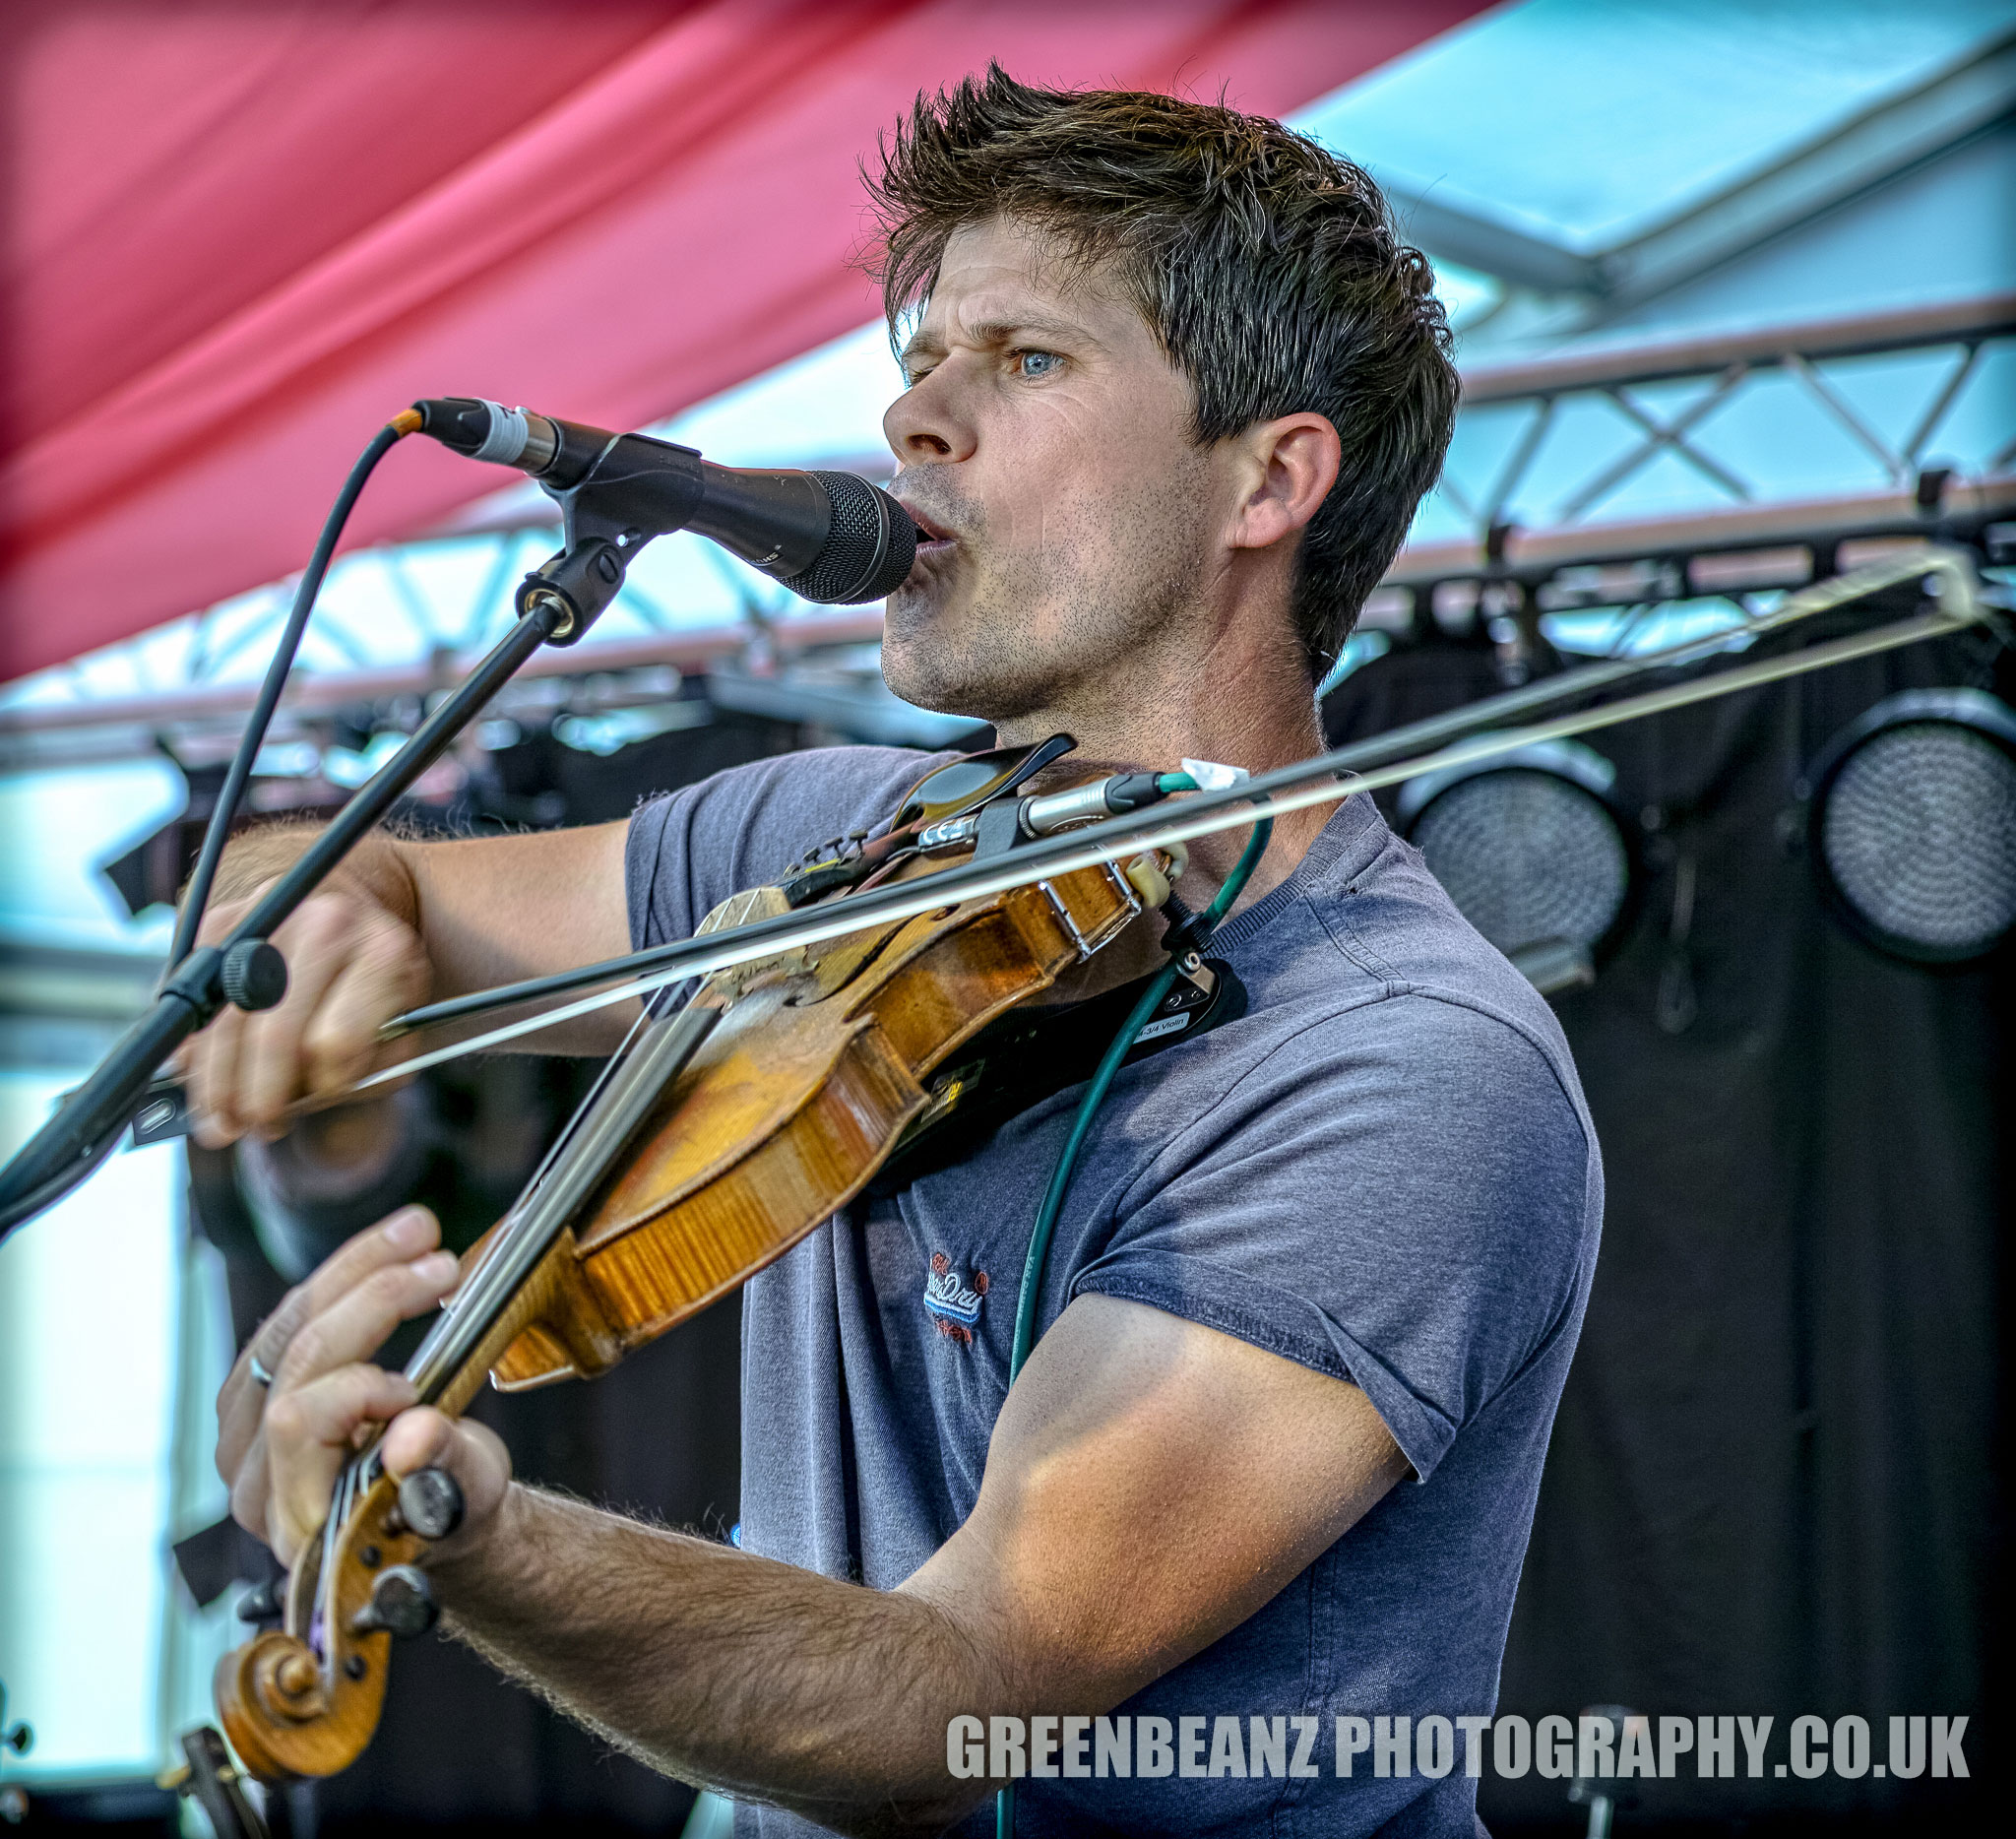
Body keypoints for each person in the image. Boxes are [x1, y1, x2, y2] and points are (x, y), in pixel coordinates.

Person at [193, 69, 1602, 1837]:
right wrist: (306, 897)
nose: (911, 417)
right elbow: (371, 883)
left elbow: (949, 1696)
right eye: (922, 358)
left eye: (1024, 360)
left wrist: (468, 1525)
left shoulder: (1396, 1067)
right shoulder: (845, 853)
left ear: (1269, 480)